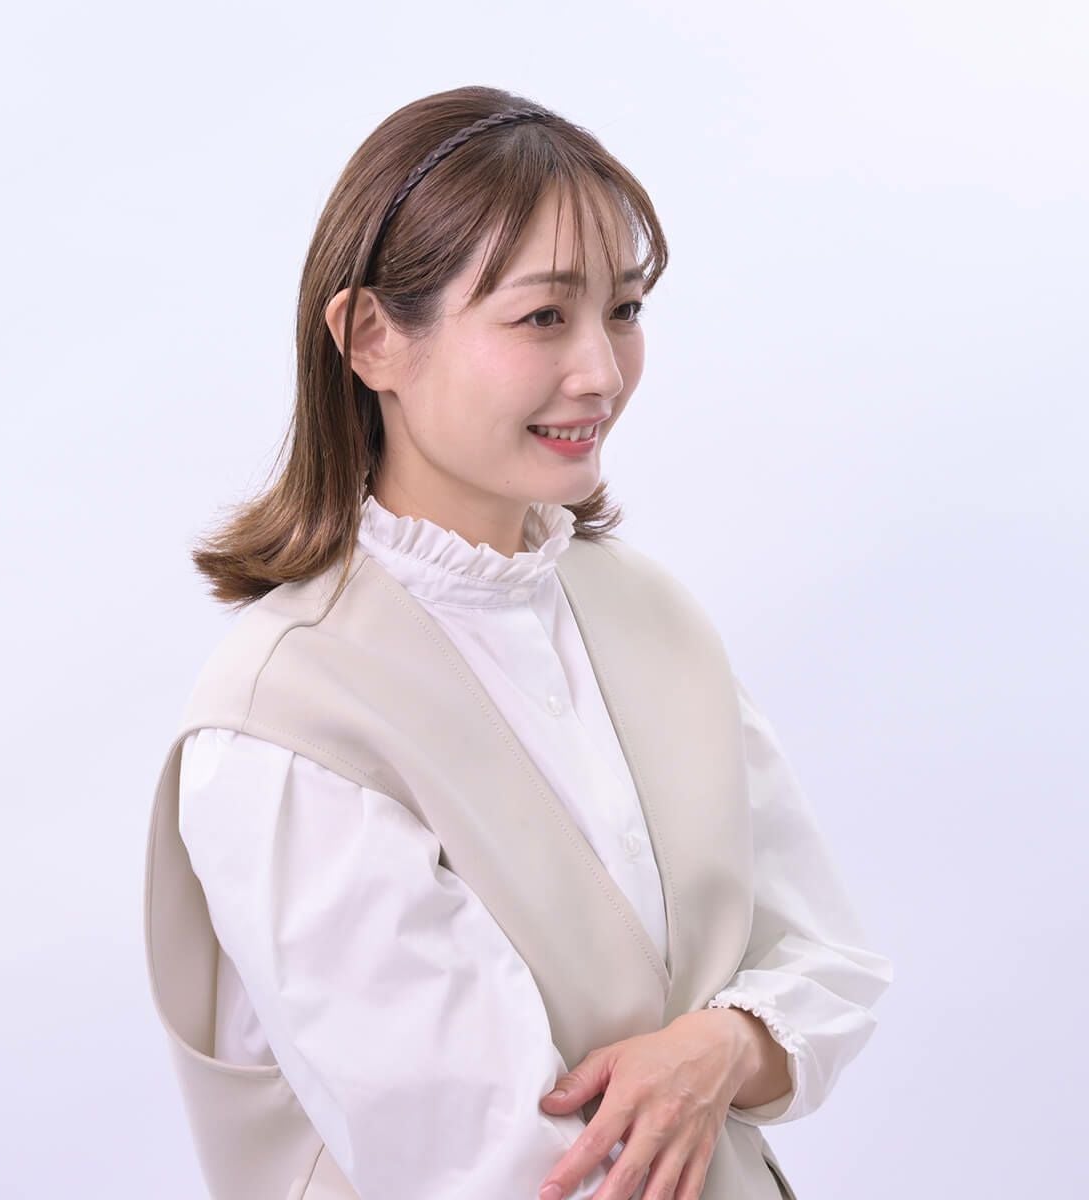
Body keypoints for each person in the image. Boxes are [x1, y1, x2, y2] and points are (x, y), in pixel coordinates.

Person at [143, 84, 894, 1200]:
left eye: (624, 309)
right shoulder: (286, 718)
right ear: (371, 338)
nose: (601, 370)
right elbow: (493, 1166)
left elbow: (826, 965)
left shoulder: (647, 613)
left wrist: (721, 1047)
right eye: (543, 317)